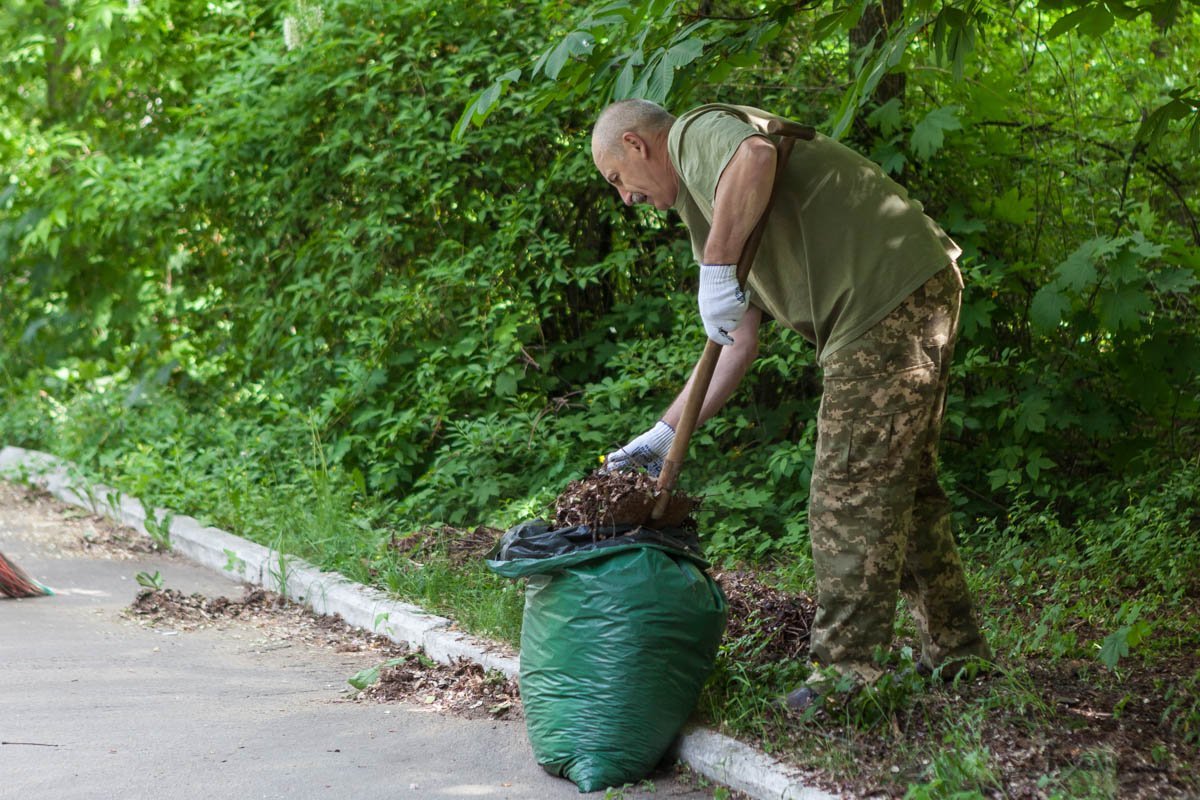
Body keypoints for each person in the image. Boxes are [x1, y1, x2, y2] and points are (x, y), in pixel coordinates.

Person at [591, 99, 993, 711]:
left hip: (880, 297)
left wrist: (718, 270)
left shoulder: (696, 135)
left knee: (849, 489)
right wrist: (660, 435)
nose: (626, 198)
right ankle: (958, 653)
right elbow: (736, 343)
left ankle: (848, 678)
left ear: (637, 145)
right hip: (901, 289)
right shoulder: (708, 208)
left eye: (618, 179)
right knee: (904, 489)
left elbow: (754, 155)